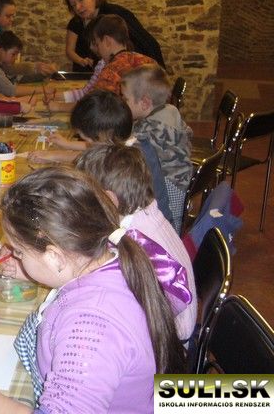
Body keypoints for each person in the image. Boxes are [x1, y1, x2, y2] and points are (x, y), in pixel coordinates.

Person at [0, 167, 187, 412]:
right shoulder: (108, 253)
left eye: (19, 251)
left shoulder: (91, 326)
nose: (15, 256)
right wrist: (32, 271)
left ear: (55, 257)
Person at [75, 143, 196, 342]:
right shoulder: (146, 214)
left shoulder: (134, 242)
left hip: (164, 343)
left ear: (108, 199)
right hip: (169, 329)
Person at [29, 90, 173, 227]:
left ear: (101, 137)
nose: (88, 145)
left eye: (87, 140)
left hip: (138, 234)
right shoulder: (135, 145)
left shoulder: (119, 165)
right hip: (155, 224)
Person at [121, 65, 193, 234]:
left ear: (145, 103)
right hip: (178, 204)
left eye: (125, 99)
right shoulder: (170, 111)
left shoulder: (147, 133)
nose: (122, 103)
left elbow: (120, 155)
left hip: (165, 215)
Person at [64, 0, 165, 72]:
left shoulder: (114, 14)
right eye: (73, 5)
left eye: (81, 0)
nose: (77, 7)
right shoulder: (83, 21)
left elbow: (142, 43)